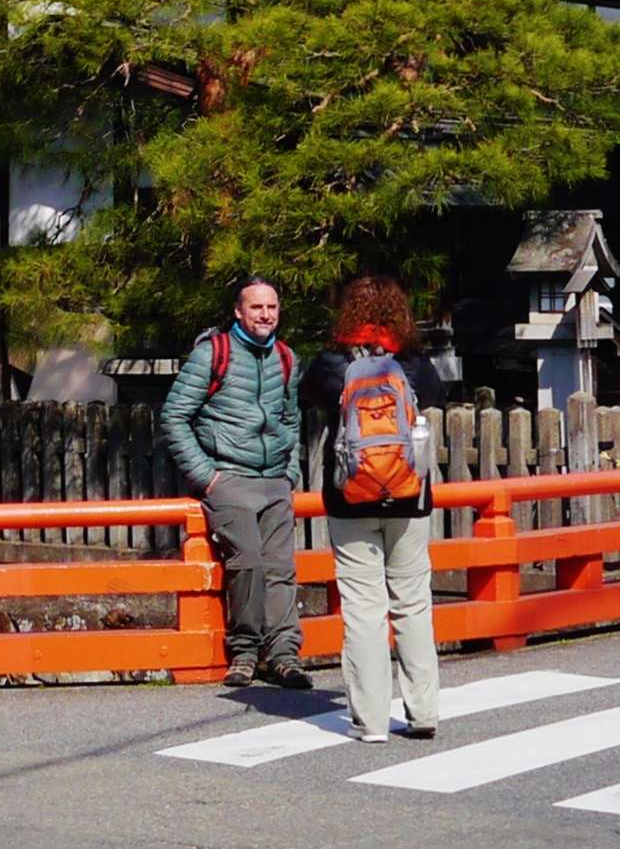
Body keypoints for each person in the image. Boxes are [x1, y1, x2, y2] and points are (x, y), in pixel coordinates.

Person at [309, 275, 443, 745]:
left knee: (364, 609)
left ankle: (370, 721)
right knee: (413, 604)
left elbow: (311, 402)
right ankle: (423, 711)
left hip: (350, 499)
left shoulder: (330, 362)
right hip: (410, 498)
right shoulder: (412, 362)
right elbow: (434, 399)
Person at [167, 277, 306, 689]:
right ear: (238, 312)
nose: (265, 315)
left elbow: (292, 419)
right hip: (228, 476)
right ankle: (245, 652)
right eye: (257, 308)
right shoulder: (213, 354)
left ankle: (284, 655)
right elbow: (174, 416)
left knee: (281, 569)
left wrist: (290, 472)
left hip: (274, 479)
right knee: (248, 562)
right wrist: (207, 477)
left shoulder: (286, 358)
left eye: (272, 308)